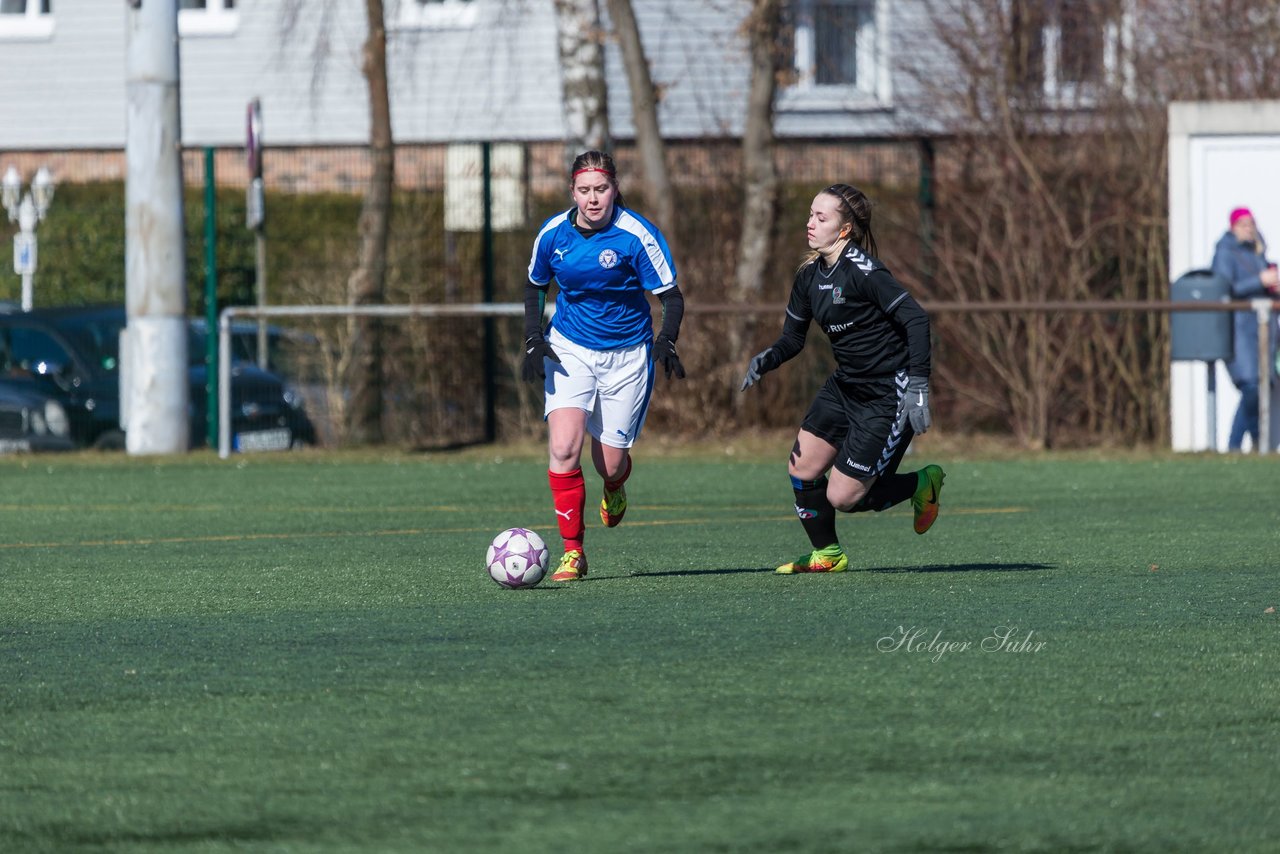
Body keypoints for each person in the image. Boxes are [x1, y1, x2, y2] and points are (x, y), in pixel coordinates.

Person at [740, 183, 944, 574]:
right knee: (802, 468)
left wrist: (917, 386)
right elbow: (792, 339)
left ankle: (922, 483)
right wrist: (769, 358)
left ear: (845, 229)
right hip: (846, 385)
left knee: (845, 497)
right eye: (810, 214)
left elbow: (916, 319)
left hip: (887, 394)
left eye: (821, 217)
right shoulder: (809, 276)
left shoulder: (865, 273)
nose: (810, 223)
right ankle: (828, 555)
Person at [522, 150, 685, 581]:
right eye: (584, 190)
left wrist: (666, 338)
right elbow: (536, 286)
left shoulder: (636, 235)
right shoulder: (554, 233)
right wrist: (532, 336)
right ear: (571, 191)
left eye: (601, 189)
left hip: (627, 355)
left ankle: (615, 488)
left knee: (610, 463)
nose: (593, 199)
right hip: (570, 348)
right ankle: (572, 551)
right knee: (562, 448)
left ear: (614, 189)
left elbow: (670, 297)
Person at [1211, 207, 1280, 451]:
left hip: (1264, 330)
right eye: (1243, 224)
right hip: (1239, 328)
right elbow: (1224, 288)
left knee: (1262, 386)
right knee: (1251, 387)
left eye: (1251, 223)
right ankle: (1237, 444)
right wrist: (1259, 281)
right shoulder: (1225, 253)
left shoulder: (1258, 252)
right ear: (1233, 227)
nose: (1249, 228)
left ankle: (1250, 446)